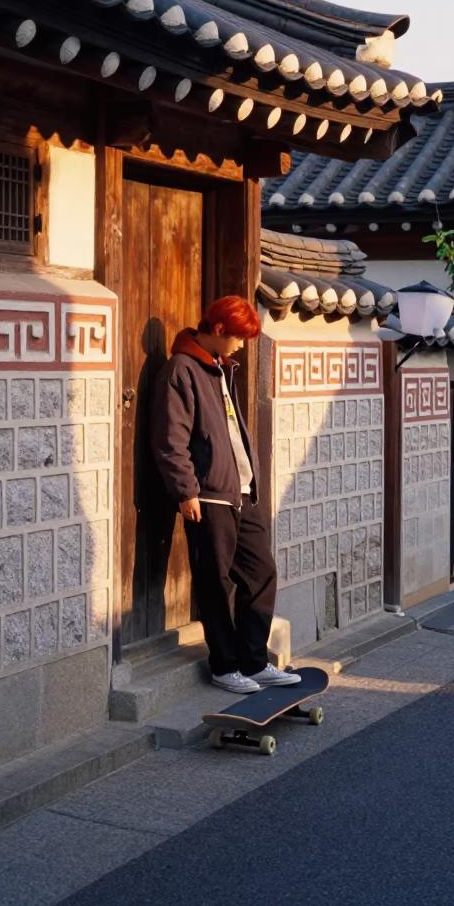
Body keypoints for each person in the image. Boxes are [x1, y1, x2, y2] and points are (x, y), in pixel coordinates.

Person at [151, 296, 300, 694]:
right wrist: (186, 490)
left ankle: (254, 662)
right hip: (208, 496)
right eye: (238, 337)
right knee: (214, 583)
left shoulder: (219, 367)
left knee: (261, 573)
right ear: (218, 329)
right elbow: (171, 439)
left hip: (240, 493)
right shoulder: (180, 371)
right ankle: (224, 666)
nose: (241, 345)